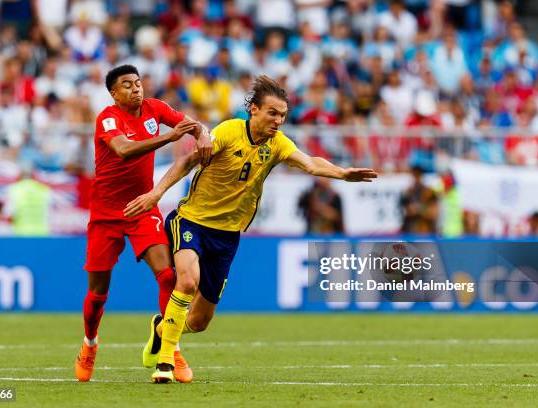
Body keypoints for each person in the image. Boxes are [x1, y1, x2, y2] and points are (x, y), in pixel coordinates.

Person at [123, 75, 378, 383]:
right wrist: (156, 194)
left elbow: (309, 162)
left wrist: (341, 173)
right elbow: (188, 161)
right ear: (254, 110)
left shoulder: (277, 144)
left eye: (282, 115)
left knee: (201, 321)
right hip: (191, 221)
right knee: (188, 282)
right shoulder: (229, 131)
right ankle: (165, 362)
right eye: (272, 113)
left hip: (228, 234)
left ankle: (162, 329)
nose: (278, 121)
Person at [74, 64, 212, 384]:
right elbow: (123, 150)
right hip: (106, 213)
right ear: (113, 93)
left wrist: (202, 134)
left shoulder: (154, 108)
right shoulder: (108, 118)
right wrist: (169, 138)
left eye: (138, 83)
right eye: (127, 85)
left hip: (142, 206)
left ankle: (170, 346)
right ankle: (90, 344)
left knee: (168, 276)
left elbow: (191, 124)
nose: (136, 89)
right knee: (98, 293)